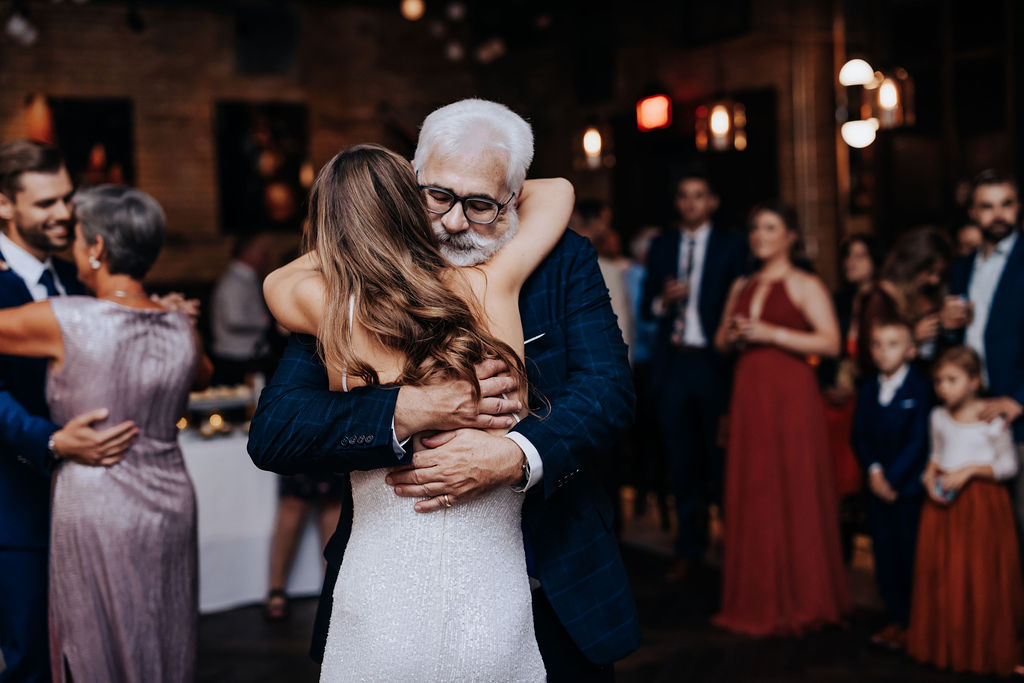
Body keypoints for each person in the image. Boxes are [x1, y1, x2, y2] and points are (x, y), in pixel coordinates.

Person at [248, 100, 639, 681]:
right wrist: (415, 407)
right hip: (388, 579)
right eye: (437, 196)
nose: (455, 222)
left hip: (551, 581)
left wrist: (513, 455)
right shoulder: (348, 285)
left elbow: (608, 393)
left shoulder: (558, 261)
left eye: (481, 203)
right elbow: (280, 428)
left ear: (513, 196)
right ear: (409, 180)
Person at [0, 185, 210, 682]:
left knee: (94, 639)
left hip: (97, 498)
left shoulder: (67, 319)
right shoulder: (182, 326)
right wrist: (167, 309)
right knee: (163, 627)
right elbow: (199, 374)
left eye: (77, 237)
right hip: (173, 497)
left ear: (95, 249)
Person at [0, 140, 138, 682]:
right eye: (44, 204)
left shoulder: (73, 274)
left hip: (86, 502)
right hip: (17, 505)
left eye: (67, 198)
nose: (63, 213)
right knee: (31, 657)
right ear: (4, 205)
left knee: (84, 651)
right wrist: (54, 442)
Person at [712, 201, 849, 636]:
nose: (760, 236)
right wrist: (735, 336)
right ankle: (758, 597)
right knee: (756, 487)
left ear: (790, 235)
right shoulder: (742, 284)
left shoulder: (805, 283)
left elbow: (831, 342)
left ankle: (806, 597)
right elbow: (720, 343)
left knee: (797, 485)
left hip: (792, 397)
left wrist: (772, 334)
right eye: (755, 228)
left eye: (770, 228)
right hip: (750, 394)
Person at [640, 170, 747, 580]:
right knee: (680, 460)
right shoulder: (662, 245)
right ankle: (689, 548)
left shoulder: (732, 246)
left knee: (720, 459)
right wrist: (664, 301)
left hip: (714, 364)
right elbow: (648, 306)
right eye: (684, 196)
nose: (690, 203)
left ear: (713, 202)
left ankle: (733, 547)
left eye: (698, 196)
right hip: (674, 364)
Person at [907, 346, 1023, 676]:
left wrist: (970, 470)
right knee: (947, 574)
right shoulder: (937, 416)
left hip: (981, 506)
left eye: (952, 380)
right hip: (944, 506)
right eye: (939, 381)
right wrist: (929, 477)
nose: (944, 387)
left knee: (979, 575)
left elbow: (1008, 466)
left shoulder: (993, 417)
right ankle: (949, 644)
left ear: (974, 381)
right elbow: (936, 454)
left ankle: (982, 646)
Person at [939, 170, 1024, 529]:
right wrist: (946, 325)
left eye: (1006, 204)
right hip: (971, 411)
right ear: (973, 213)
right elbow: (956, 346)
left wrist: (1020, 399)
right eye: (987, 207)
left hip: (1017, 411)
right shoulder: (962, 268)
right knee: (984, 526)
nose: (999, 214)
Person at [851, 318, 931, 649]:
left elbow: (919, 441)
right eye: (877, 345)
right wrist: (873, 472)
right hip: (877, 488)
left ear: (912, 351)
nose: (883, 352)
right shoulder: (868, 388)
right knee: (884, 554)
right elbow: (859, 436)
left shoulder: (921, 388)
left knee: (909, 554)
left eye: (893, 344)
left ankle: (916, 622)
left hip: (908, 489)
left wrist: (892, 478)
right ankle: (895, 618)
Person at [855, 228, 950, 375]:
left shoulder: (926, 294)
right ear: (912, 266)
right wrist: (912, 337)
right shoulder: (880, 297)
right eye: (930, 272)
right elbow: (868, 357)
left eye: (939, 274)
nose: (934, 280)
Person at [209, 232, 272, 386]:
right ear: (247, 252)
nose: (265, 255)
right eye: (260, 250)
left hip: (249, 357)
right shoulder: (233, 282)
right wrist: (265, 321)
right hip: (235, 359)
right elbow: (233, 318)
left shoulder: (247, 279)